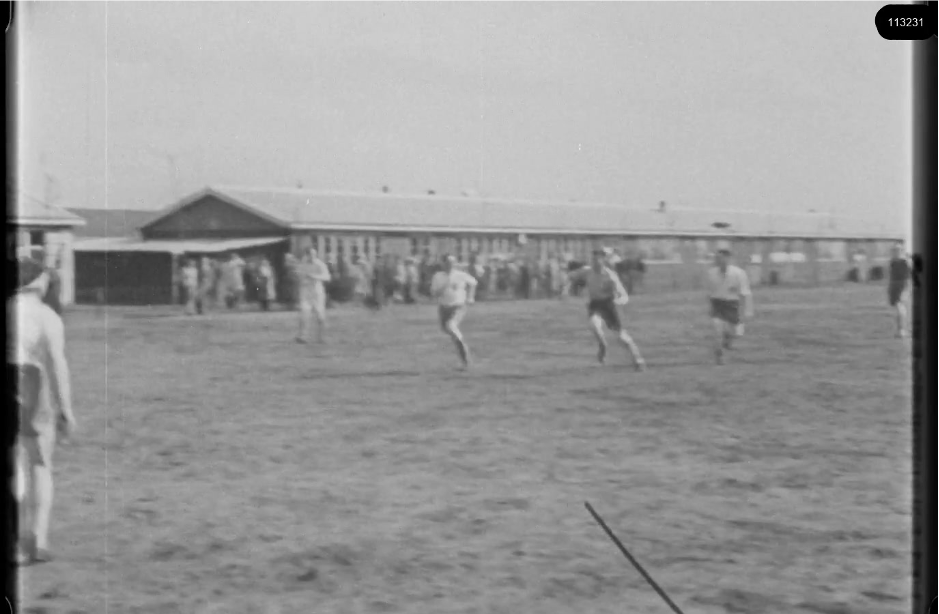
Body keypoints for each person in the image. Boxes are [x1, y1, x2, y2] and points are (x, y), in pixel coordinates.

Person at [7, 256, 77, 565]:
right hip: (30, 382)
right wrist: (66, 408)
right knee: (40, 463)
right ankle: (39, 539)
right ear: (38, 281)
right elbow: (57, 363)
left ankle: (16, 545)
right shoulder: (47, 316)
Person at [568, 248, 646, 371]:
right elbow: (572, 276)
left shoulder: (610, 276)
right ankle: (603, 345)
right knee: (594, 325)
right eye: (594, 257)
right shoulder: (587, 272)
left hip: (608, 305)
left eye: (599, 258)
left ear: (604, 260)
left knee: (622, 337)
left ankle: (638, 359)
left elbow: (624, 296)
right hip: (595, 304)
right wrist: (569, 284)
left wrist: (618, 301)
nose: (595, 260)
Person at [706, 247, 754, 365]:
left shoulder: (739, 273)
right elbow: (710, 291)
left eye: (720, 257)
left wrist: (747, 310)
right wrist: (709, 306)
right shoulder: (711, 273)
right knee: (717, 329)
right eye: (716, 258)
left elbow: (745, 293)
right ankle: (719, 355)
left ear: (728, 259)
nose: (717, 260)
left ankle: (728, 338)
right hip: (717, 303)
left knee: (736, 332)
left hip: (732, 304)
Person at [430, 254, 478, 369]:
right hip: (443, 307)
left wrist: (471, 297)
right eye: (447, 262)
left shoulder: (460, 275)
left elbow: (473, 283)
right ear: (442, 263)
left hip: (458, 306)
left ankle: (465, 357)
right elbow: (434, 293)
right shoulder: (438, 276)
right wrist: (443, 287)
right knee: (446, 329)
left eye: (452, 262)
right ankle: (460, 346)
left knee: (451, 327)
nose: (450, 265)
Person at [295, 248, 331, 343]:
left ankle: (322, 337)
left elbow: (327, 277)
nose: (312, 256)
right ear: (307, 255)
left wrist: (314, 276)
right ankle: (303, 337)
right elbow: (298, 275)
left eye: (314, 254)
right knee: (304, 314)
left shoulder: (320, 264)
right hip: (306, 292)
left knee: (320, 315)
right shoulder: (302, 265)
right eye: (310, 254)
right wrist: (303, 279)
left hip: (317, 292)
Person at [887, 243, 911, 338]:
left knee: (900, 306)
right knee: (898, 308)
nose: (894, 252)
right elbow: (892, 275)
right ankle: (900, 330)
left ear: (901, 251)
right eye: (893, 250)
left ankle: (902, 330)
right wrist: (890, 287)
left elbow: (908, 275)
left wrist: (905, 288)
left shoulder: (905, 261)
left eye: (897, 250)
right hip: (894, 285)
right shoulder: (892, 262)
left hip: (902, 285)